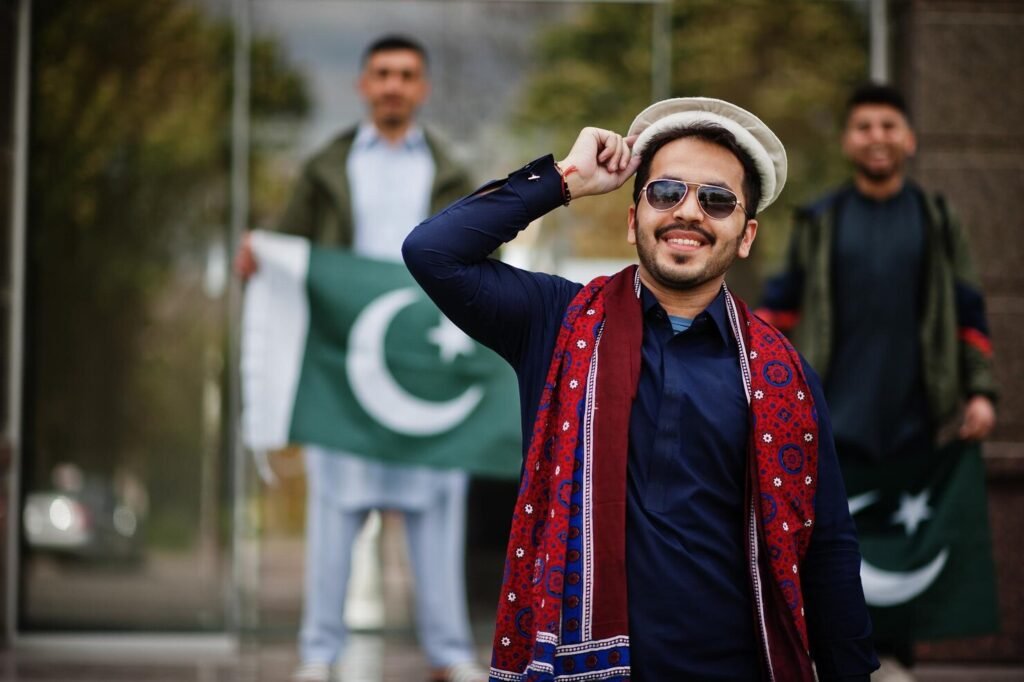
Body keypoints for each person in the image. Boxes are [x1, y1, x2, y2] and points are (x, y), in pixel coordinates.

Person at [403, 97, 879, 681]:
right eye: (666, 192)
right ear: (633, 220)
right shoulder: (558, 323)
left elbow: (827, 545)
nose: (689, 212)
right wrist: (564, 180)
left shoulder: (784, 377)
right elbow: (433, 253)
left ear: (746, 235)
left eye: (717, 200)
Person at [235, 35, 485, 682]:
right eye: (382, 74)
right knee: (334, 512)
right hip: (343, 364)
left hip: (425, 364)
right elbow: (289, 244)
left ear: (422, 88)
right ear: (363, 85)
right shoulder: (328, 166)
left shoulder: (452, 173)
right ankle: (319, 654)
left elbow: (484, 253)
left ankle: (448, 653)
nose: (393, 85)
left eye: (405, 74)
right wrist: (262, 255)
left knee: (438, 507)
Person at [757, 84, 998, 680]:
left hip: (915, 425)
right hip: (832, 426)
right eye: (864, 127)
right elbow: (779, 308)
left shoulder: (936, 219)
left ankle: (898, 668)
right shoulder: (820, 220)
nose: (877, 138)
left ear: (909, 139)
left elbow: (969, 309)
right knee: (833, 568)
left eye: (889, 126)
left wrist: (980, 391)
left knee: (902, 569)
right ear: (848, 141)